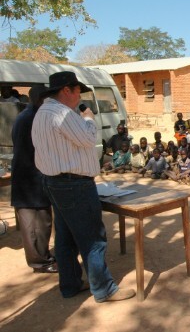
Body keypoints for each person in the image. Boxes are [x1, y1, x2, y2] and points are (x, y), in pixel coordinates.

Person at [32, 71, 135, 302]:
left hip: (55, 182)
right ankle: (104, 289)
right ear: (66, 90)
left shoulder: (42, 112)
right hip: (74, 184)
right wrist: (88, 117)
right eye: (77, 90)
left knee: (66, 237)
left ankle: (69, 284)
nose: (80, 96)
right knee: (93, 238)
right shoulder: (62, 114)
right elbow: (89, 139)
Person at [11, 85, 57, 274]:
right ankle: (40, 262)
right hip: (30, 179)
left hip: (29, 177)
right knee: (36, 224)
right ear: (40, 99)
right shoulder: (32, 118)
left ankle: (42, 257)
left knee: (41, 221)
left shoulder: (27, 115)